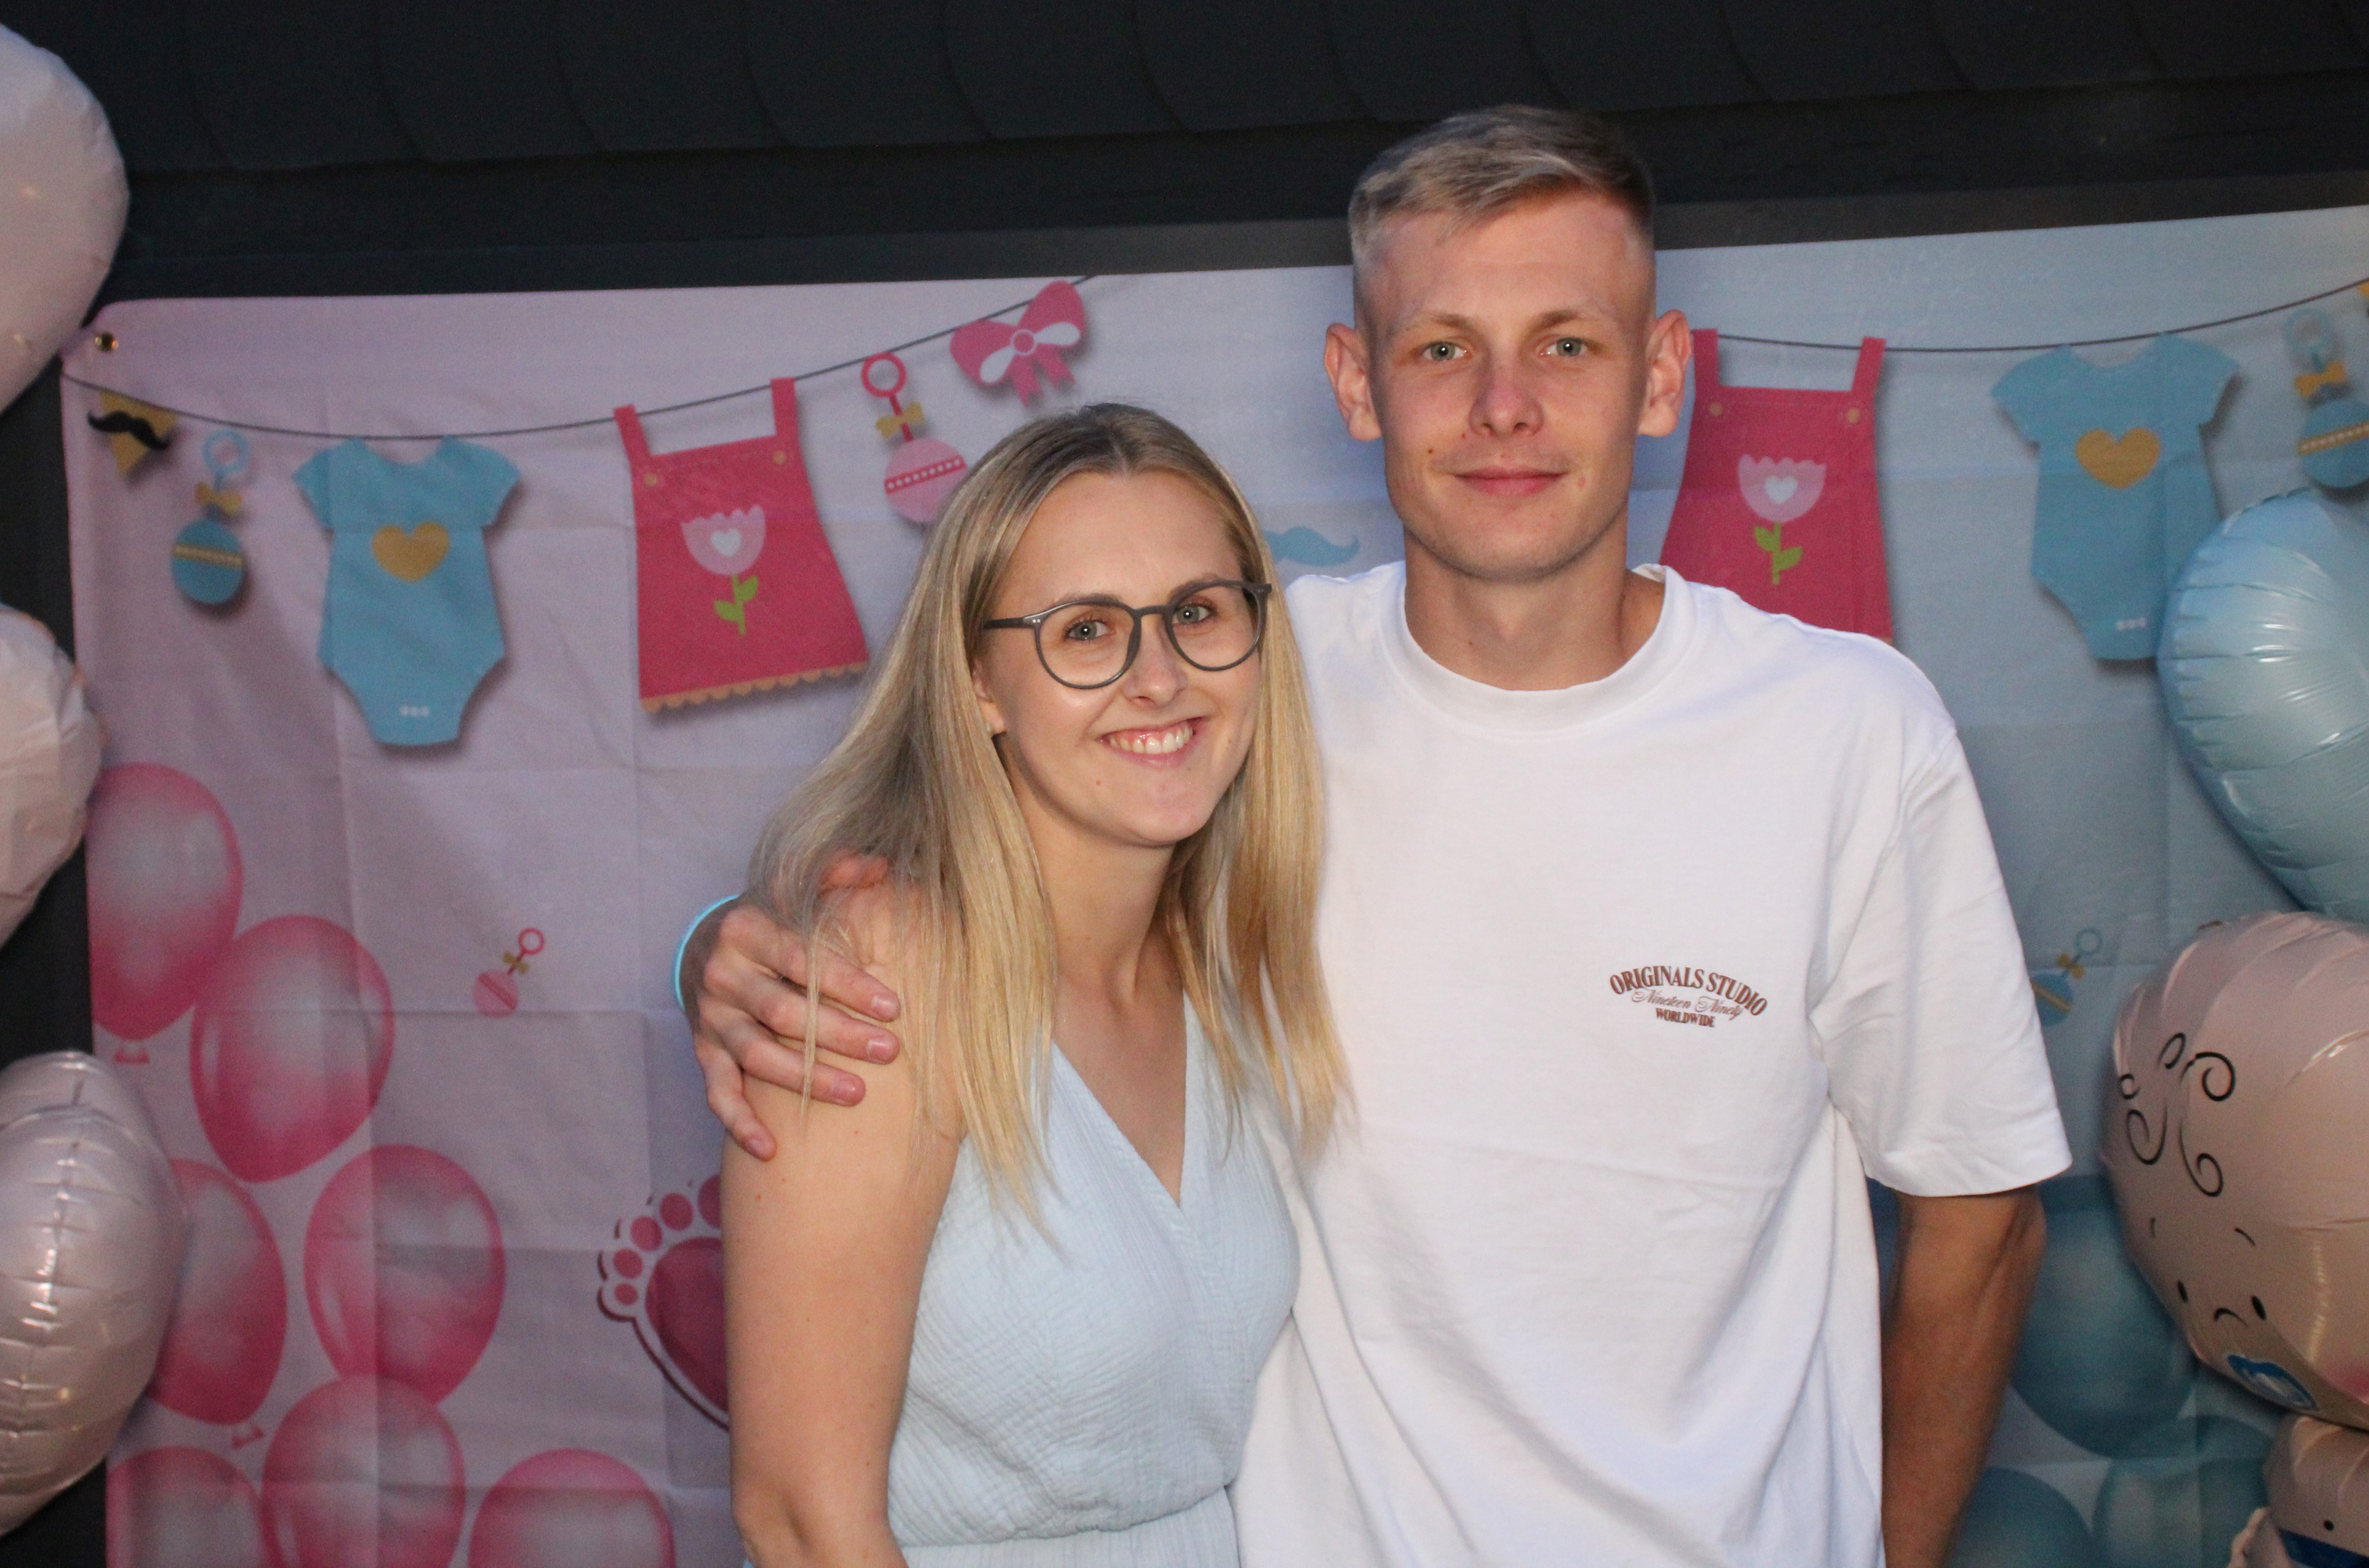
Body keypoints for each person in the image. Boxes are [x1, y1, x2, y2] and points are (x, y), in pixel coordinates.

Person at [690, 107, 2068, 1568]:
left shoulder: (1848, 732)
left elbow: (1980, 1224)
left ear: (1662, 374)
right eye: (1442, 349)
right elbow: (977, 864)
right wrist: (733, 954)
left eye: (1568, 344)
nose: (1504, 407)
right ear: (1358, 382)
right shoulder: (1250, 694)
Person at [719, 403, 1345, 1568]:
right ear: (979, 684)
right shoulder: (885, 974)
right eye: (1086, 631)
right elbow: (801, 1522)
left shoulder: (1226, 969)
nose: (1159, 678)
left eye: (1198, 613)